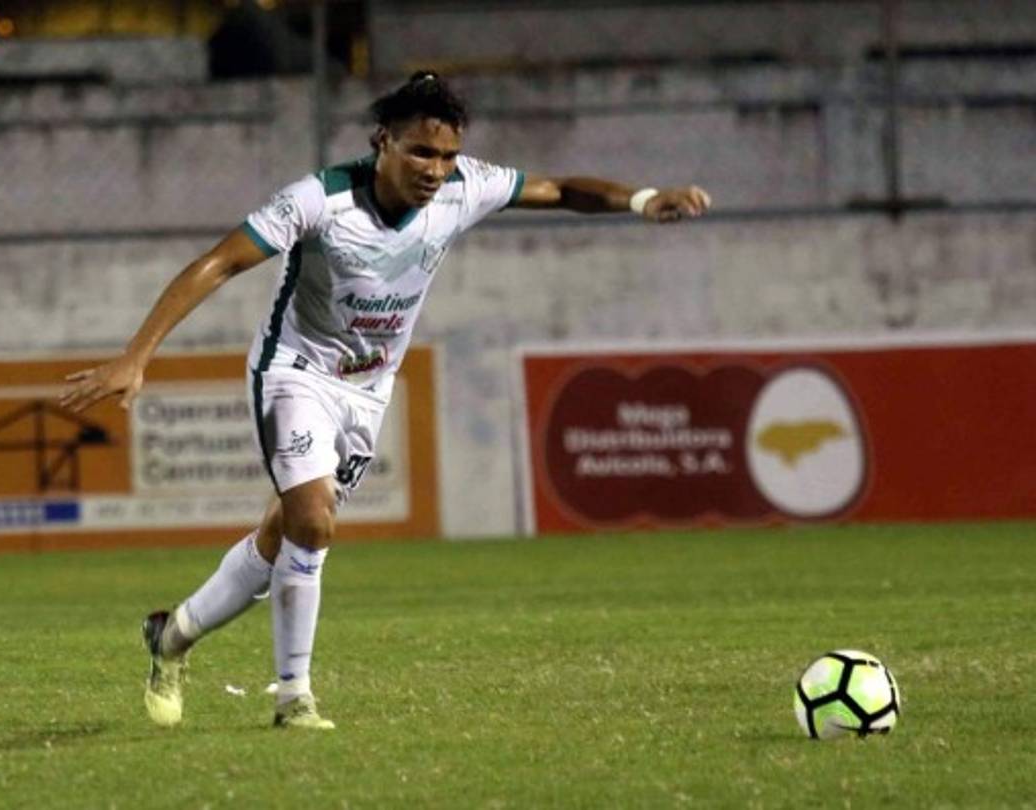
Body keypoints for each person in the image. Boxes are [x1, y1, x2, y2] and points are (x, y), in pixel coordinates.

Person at [60, 71, 712, 731]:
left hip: (368, 391)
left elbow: (562, 190)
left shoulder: (464, 187)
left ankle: (172, 635)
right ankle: (293, 698)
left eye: (448, 155)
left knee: (283, 537)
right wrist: (137, 355)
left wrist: (643, 200)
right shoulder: (319, 200)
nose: (436, 169)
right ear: (383, 142)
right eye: (421, 152)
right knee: (314, 521)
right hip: (296, 371)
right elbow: (220, 262)